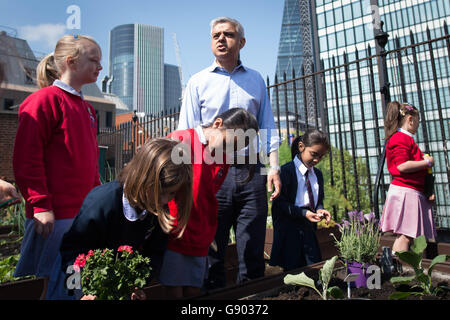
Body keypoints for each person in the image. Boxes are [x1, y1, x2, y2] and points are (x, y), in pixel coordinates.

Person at [177, 16, 281, 289]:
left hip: (251, 171)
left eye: (228, 34)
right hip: (211, 174)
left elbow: (267, 125)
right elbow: (185, 131)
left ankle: (253, 300)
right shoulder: (197, 82)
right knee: (213, 249)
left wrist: (273, 167)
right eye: (216, 35)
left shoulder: (257, 79)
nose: (221, 39)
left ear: (242, 42)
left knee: (252, 247)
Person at [12, 35, 103, 297]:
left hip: (79, 215)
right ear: (71, 62)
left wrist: (94, 203)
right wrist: (40, 204)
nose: (99, 67)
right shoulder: (43, 100)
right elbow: (27, 158)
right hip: (53, 216)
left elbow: (89, 162)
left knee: (71, 283)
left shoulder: (87, 109)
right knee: (42, 285)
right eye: (93, 60)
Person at [56, 138, 193, 300]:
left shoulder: (158, 211)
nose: (164, 200)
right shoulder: (102, 203)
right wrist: (79, 293)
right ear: (143, 178)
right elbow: (71, 253)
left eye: (171, 194)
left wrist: (137, 284)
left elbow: (154, 255)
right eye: (161, 192)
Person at [160, 108, 259, 298]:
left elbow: (209, 192)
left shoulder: (222, 157)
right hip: (175, 232)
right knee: (174, 288)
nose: (230, 151)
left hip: (200, 234)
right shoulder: (181, 140)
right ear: (218, 124)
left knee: (194, 289)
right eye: (230, 143)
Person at [269, 130, 331, 271]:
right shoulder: (285, 171)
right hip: (290, 229)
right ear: (301, 146)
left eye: (321, 157)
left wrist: (320, 209)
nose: (316, 160)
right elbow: (280, 204)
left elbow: (318, 199)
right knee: (292, 269)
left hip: (308, 227)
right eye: (314, 154)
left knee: (314, 268)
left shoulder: (317, 174)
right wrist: (303, 213)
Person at [380, 101, 437, 254]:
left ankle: (397, 266)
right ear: (410, 119)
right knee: (406, 235)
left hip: (408, 191)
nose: (418, 125)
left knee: (405, 235)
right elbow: (402, 166)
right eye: (417, 121)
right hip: (406, 191)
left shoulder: (402, 138)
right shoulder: (401, 138)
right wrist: (426, 162)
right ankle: (398, 266)